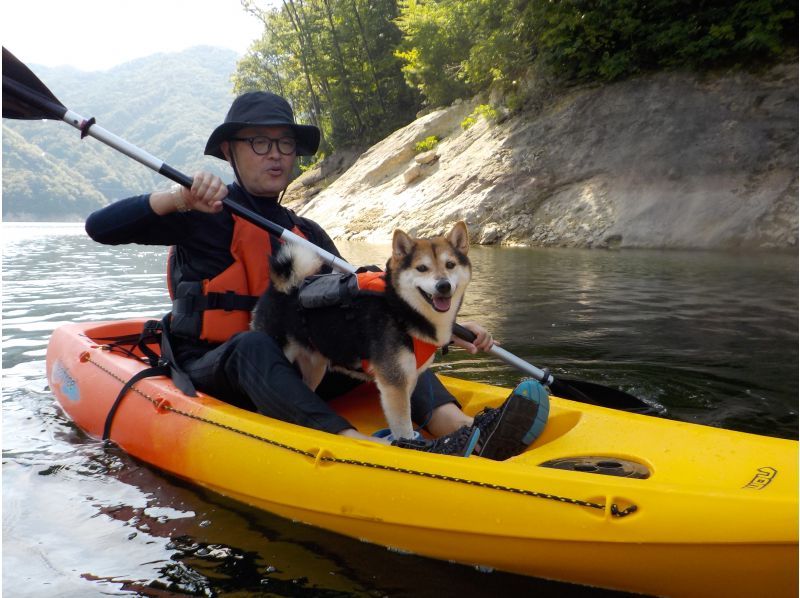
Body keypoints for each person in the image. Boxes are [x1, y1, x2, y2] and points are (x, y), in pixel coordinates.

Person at [85, 91, 548, 459]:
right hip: (215, 368)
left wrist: (450, 330)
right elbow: (100, 228)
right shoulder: (201, 211)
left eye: (285, 144)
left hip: (302, 371)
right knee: (252, 343)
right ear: (230, 150)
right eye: (260, 143)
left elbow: (367, 302)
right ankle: (354, 446)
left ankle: (464, 432)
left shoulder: (306, 233)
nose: (276, 155)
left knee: (394, 347)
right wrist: (176, 199)